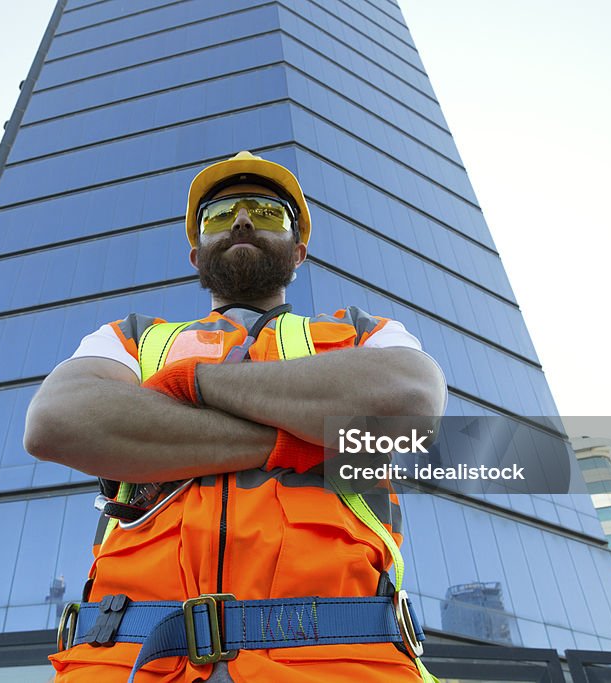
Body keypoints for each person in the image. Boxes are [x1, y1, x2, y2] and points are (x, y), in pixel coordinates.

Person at [24, 151, 447, 682]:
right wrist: (305, 441)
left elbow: (411, 404)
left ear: (299, 252)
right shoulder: (133, 336)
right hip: (126, 659)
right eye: (220, 216)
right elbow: (57, 421)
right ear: (196, 255)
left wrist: (188, 385)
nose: (243, 220)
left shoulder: (361, 331)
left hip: (342, 661)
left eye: (267, 213)